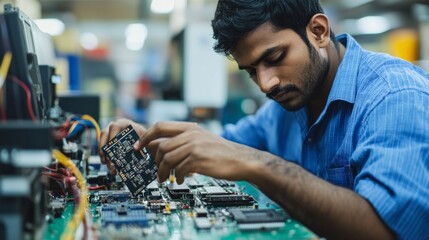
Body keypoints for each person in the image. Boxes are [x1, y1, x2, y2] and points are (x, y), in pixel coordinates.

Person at [99, 0, 429, 239]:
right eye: (251, 71)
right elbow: (220, 146)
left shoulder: (395, 96)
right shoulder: (286, 106)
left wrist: (260, 164)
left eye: (274, 57)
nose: (266, 83)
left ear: (317, 31)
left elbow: (387, 231)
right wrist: (152, 139)